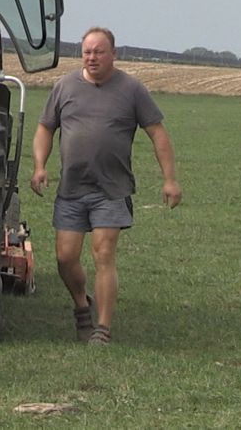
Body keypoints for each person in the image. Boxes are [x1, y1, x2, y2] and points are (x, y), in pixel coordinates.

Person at [30, 26, 182, 346]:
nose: (92, 57)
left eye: (99, 51)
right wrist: (40, 167)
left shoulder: (131, 89)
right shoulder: (65, 87)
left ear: (114, 54)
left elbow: (158, 134)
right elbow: (45, 128)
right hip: (72, 188)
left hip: (111, 189)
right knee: (65, 258)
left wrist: (169, 180)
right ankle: (82, 306)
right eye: (87, 51)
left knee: (103, 253)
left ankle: (102, 328)